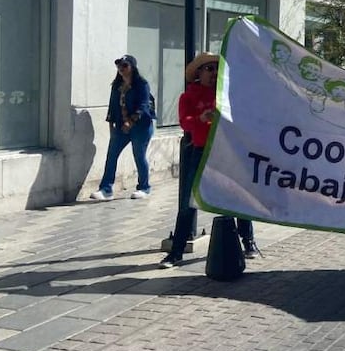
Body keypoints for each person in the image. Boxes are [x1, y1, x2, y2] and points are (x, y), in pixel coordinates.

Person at [160, 53, 259, 268]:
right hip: (200, 151)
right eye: (209, 69)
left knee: (236, 197)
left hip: (226, 151)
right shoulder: (189, 96)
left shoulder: (227, 94)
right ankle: (176, 252)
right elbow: (185, 124)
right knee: (188, 201)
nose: (214, 73)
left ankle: (248, 241)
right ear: (199, 73)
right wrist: (201, 119)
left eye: (216, 68)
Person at [91, 55, 155, 200]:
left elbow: (144, 105)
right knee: (112, 155)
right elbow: (113, 106)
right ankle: (106, 189)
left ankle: (144, 188)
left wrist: (131, 121)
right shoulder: (117, 85)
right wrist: (111, 124)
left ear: (132, 67)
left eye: (125, 65)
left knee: (139, 155)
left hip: (141, 126)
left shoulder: (141, 84)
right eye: (119, 65)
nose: (121, 68)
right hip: (121, 126)